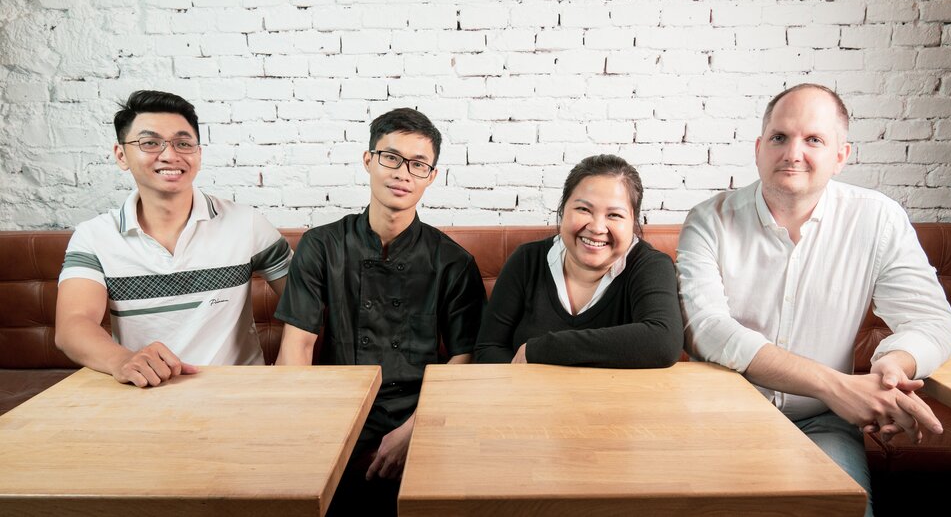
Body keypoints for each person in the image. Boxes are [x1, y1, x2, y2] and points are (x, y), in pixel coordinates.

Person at [676, 83, 951, 517]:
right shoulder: (708, 220)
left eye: (813, 140)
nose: (793, 153)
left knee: (841, 510)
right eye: (779, 137)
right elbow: (707, 330)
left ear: (841, 155)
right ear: (759, 148)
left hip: (823, 422)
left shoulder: (878, 218)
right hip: (722, 416)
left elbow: (935, 322)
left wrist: (891, 369)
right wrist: (839, 386)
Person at [274, 107, 486, 516]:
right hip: (336, 410)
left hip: (418, 412)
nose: (403, 173)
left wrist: (415, 430)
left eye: (418, 164)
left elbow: (466, 358)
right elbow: (296, 347)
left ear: (432, 176)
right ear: (368, 160)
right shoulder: (322, 246)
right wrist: (303, 431)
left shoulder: (452, 261)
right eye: (391, 157)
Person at [56, 90, 292, 387]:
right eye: (150, 143)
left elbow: (306, 304)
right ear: (121, 155)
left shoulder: (247, 224)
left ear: (199, 153)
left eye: (183, 143)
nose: (169, 155)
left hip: (238, 392)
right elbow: (73, 325)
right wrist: (122, 360)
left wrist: (285, 373)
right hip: (147, 391)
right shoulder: (94, 237)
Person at [474, 154, 684, 367]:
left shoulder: (650, 266)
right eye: (584, 209)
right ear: (563, 209)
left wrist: (542, 349)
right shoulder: (527, 260)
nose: (597, 228)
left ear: (633, 221)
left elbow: (663, 341)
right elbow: (487, 348)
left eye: (614, 215)